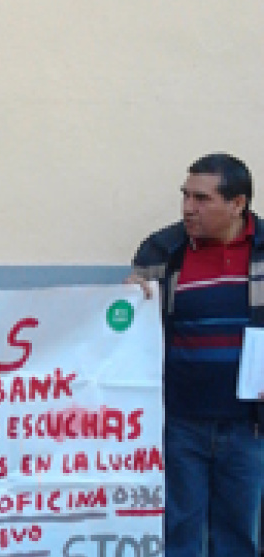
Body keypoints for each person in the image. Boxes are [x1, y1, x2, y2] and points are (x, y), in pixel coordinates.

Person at [126, 153, 264, 556]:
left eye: (202, 199)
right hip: (180, 422)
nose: (188, 208)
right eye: (186, 196)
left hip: (249, 426)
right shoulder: (163, 251)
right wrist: (129, 299)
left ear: (237, 204)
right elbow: (130, 334)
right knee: (179, 531)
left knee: (238, 533)